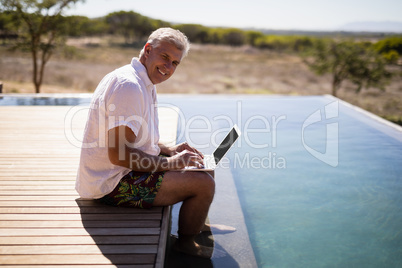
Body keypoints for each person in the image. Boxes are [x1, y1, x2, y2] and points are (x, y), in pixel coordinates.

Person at [76, 27, 226, 258]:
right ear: (148, 50)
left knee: (202, 163)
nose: (168, 67)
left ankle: (199, 226)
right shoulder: (129, 86)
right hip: (111, 183)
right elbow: (119, 155)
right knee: (202, 184)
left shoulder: (142, 80)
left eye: (175, 63)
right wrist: (171, 163)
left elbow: (139, 139)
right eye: (165, 57)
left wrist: (169, 149)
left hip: (121, 170)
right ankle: (185, 244)